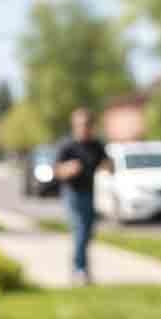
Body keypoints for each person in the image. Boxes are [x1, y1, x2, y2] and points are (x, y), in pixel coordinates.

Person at [54, 108, 112, 285]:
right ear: (75, 126)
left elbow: (108, 164)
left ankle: (81, 269)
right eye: (81, 125)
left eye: (87, 125)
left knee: (87, 233)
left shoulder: (96, 145)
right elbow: (56, 171)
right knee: (80, 230)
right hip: (72, 194)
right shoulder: (67, 146)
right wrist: (68, 169)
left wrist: (107, 167)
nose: (84, 128)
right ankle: (80, 270)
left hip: (90, 193)